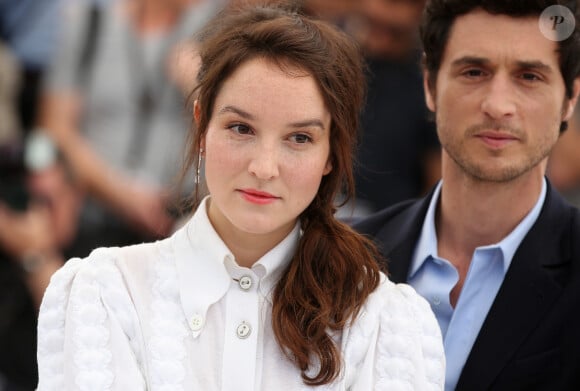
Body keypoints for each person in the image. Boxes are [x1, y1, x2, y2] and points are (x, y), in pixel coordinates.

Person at [36, 3, 445, 390]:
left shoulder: (383, 319)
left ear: (331, 153)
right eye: (241, 129)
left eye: (299, 138)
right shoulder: (106, 292)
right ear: (201, 125)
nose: (264, 167)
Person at [354, 0, 580, 390]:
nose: (497, 105)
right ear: (429, 84)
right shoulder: (346, 260)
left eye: (529, 77)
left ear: (570, 100)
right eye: (474, 72)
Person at [36, 0, 221, 258]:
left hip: (186, 222)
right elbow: (56, 128)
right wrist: (121, 194)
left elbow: (241, 124)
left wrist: (198, 85)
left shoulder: (218, 26)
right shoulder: (90, 20)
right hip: (98, 218)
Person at [344, 0, 441, 218]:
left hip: (388, 227)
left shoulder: (428, 83)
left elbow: (436, 178)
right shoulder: (334, 60)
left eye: (395, 4)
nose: (378, 11)